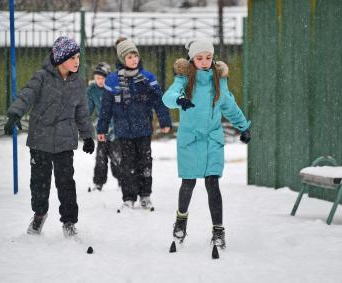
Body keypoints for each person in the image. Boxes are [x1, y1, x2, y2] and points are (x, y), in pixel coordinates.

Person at [162, 38, 251, 249]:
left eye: (208, 58)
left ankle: (218, 230)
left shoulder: (219, 81)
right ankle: (181, 221)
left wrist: (243, 126)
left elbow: (229, 105)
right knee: (189, 182)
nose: (204, 61)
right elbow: (168, 96)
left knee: (213, 183)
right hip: (190, 139)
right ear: (192, 59)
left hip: (212, 139)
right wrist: (179, 100)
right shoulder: (184, 79)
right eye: (199, 58)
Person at [4, 36, 95, 237]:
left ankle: (69, 222)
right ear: (60, 58)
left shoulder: (78, 83)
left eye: (78, 57)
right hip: (40, 140)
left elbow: (82, 113)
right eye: (73, 58)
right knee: (39, 183)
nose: (77, 61)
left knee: (66, 183)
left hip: (64, 142)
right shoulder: (42, 77)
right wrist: (14, 114)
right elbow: (26, 95)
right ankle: (39, 214)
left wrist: (88, 136)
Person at [97, 38, 172, 211]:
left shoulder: (147, 78)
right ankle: (128, 197)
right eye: (129, 57)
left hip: (143, 129)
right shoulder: (112, 80)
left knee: (145, 163)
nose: (133, 60)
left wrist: (164, 121)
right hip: (123, 131)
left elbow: (158, 102)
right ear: (123, 59)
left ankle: (145, 196)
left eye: (135, 56)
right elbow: (106, 108)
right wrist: (101, 128)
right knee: (127, 164)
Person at [86, 62, 123, 192]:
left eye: (102, 78)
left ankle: (122, 181)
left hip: (116, 129)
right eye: (97, 78)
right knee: (100, 157)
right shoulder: (92, 90)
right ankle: (98, 182)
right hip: (101, 129)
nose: (100, 81)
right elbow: (88, 109)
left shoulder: (114, 88)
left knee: (117, 157)